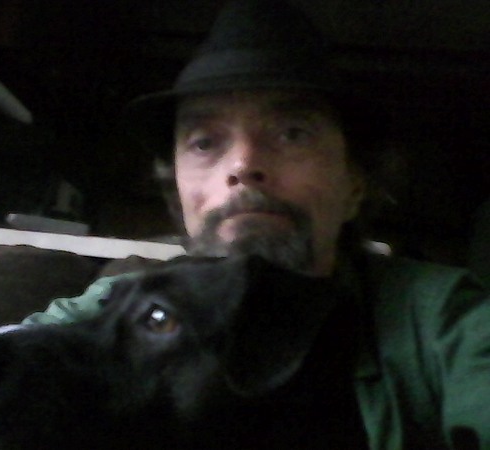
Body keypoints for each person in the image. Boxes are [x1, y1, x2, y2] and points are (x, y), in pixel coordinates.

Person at [24, 0, 490, 448]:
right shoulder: (116, 302)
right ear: (178, 190)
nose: (243, 165)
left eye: (292, 133)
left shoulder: (447, 320)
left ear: (355, 184)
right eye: (205, 142)